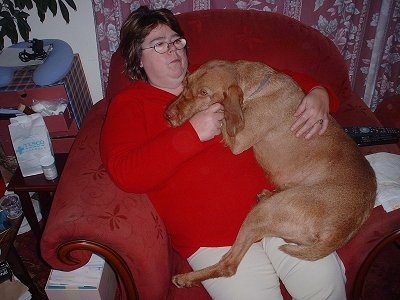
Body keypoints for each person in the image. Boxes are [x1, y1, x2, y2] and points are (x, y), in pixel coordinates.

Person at [100, 6, 346, 300]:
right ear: (137, 57)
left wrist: (319, 93)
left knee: (327, 285)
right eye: (159, 44)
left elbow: (277, 80)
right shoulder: (129, 104)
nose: (173, 49)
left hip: (280, 208)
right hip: (214, 237)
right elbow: (127, 174)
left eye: (176, 40)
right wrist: (192, 133)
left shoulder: (213, 74)